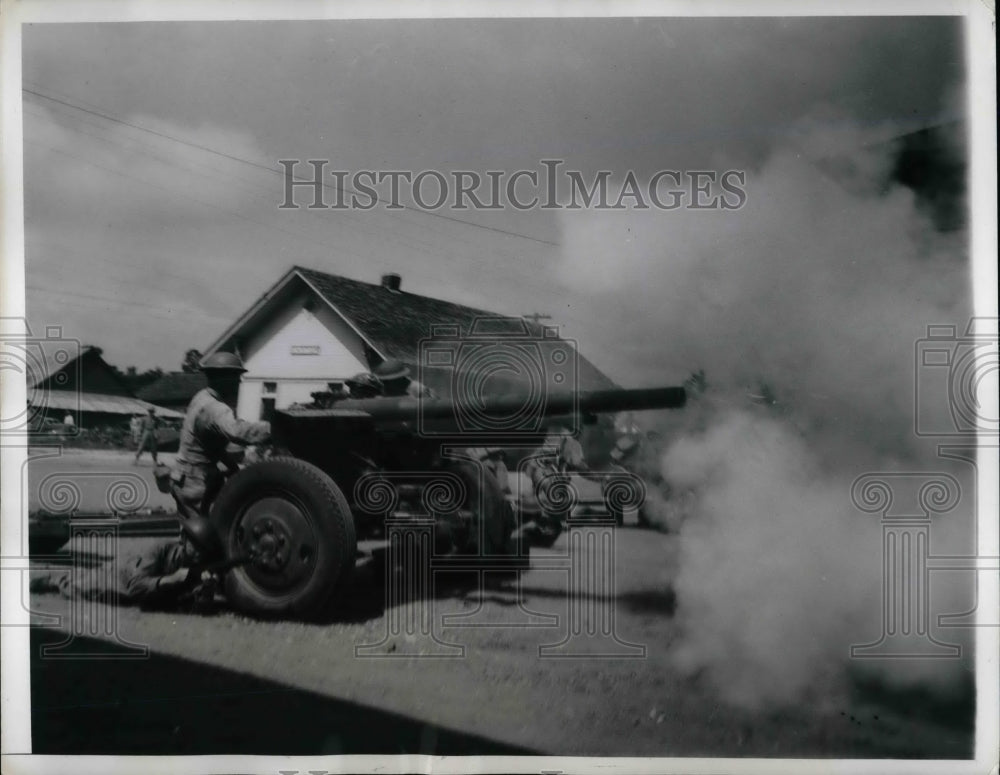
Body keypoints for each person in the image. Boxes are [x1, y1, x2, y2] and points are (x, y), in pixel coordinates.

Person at [29, 517, 224, 609]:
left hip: (140, 589)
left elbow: (195, 606)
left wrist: (206, 591)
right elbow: (135, 587)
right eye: (196, 546)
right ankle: (48, 579)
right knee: (77, 586)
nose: (199, 553)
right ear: (184, 539)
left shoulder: (199, 563)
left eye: (203, 549)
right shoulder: (160, 549)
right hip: (118, 577)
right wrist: (171, 579)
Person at [172, 351, 271, 517]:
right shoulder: (215, 408)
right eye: (236, 377)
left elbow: (206, 442)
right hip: (196, 481)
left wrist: (232, 466)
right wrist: (274, 429)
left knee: (192, 530)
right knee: (210, 532)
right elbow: (237, 431)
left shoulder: (201, 397)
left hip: (184, 476)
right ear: (224, 378)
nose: (239, 382)